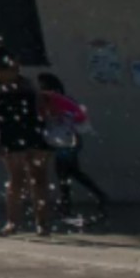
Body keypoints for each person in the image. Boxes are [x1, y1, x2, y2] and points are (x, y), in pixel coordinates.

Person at [0, 45, 51, 236]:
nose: (14, 70)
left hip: (33, 131)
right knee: (17, 178)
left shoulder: (26, 83)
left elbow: (39, 108)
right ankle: (13, 221)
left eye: (16, 66)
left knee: (39, 178)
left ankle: (42, 222)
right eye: (10, 66)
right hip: (9, 135)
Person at [37, 72, 108, 223]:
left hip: (67, 141)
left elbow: (72, 119)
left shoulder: (58, 101)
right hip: (66, 141)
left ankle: (68, 205)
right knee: (70, 172)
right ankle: (76, 202)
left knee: (65, 173)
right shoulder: (59, 100)